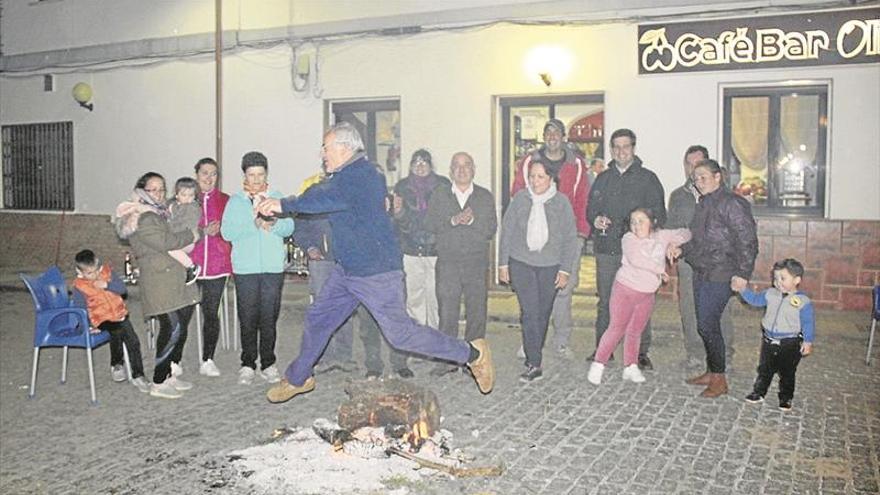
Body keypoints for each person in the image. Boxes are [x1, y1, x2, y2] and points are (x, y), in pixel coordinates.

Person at [257, 122, 494, 403]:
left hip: (376, 272)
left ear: (345, 148)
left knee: (401, 335)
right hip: (348, 270)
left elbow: (323, 198)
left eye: (326, 148)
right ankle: (299, 377)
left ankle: (473, 354)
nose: (322, 154)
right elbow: (322, 194)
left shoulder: (362, 175)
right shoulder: (343, 176)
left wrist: (282, 205)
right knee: (318, 317)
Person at [668, 159, 758, 398]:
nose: (699, 182)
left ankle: (719, 380)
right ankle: (712, 370)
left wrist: (743, 273)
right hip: (701, 271)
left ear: (718, 177)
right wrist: (682, 249)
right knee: (704, 324)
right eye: (696, 178)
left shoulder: (733, 204)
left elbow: (748, 241)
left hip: (722, 273)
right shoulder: (703, 203)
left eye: (704, 177)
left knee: (708, 325)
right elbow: (698, 241)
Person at [587, 128, 666, 370]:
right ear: (611, 150)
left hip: (638, 253)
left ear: (633, 148)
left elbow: (660, 215)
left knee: (640, 300)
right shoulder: (603, 178)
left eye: (626, 146)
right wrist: (595, 219)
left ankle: (640, 352)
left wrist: (644, 234)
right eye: (616, 147)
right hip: (608, 249)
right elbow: (590, 209)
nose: (621, 151)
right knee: (605, 300)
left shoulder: (648, 179)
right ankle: (604, 349)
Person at [511, 119, 590, 357]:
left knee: (563, 290)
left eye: (557, 132)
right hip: (532, 237)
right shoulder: (528, 163)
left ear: (564, 137)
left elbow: (583, 198)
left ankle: (562, 339)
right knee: (530, 292)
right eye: (549, 132)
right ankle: (531, 341)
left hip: (566, 237)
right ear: (543, 136)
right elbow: (517, 195)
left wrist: (581, 234)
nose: (553, 136)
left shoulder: (576, 164)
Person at [587, 208, 690, 385]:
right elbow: (637, 260)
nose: (636, 225)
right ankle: (598, 365)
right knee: (616, 328)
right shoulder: (629, 239)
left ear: (652, 222)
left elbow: (686, 232)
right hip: (625, 290)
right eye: (633, 221)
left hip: (647, 294)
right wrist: (660, 271)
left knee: (635, 331)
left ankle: (630, 366)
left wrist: (675, 244)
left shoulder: (661, 236)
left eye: (641, 221)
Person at [121, 172, 200, 399]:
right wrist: (192, 234)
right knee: (172, 327)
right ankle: (158, 380)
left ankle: (168, 375)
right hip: (159, 280)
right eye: (153, 189)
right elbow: (166, 241)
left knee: (180, 326)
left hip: (172, 277)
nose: (158, 193)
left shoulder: (160, 213)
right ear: (142, 191)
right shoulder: (142, 217)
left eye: (162, 189)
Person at [499, 158, 579, 383]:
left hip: (550, 265)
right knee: (530, 311)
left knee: (543, 313)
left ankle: (532, 349)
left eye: (540, 177)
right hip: (521, 261)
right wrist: (503, 264)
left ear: (551, 178)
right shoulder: (520, 199)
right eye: (532, 176)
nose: (535, 181)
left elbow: (569, 239)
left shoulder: (561, 203)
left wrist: (565, 270)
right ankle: (535, 362)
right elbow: (507, 231)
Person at [221, 151, 295, 385]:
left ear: (266, 174)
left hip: (272, 267)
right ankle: (247, 363)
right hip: (245, 268)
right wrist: (253, 225)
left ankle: (269, 362)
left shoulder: (276, 197)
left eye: (260, 174)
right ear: (244, 174)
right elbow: (227, 233)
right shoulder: (235, 201)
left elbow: (290, 227)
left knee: (269, 317)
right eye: (251, 174)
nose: (255, 179)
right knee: (248, 316)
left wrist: (273, 224)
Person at [425, 152, 497, 377]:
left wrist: (473, 220)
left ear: (473, 169)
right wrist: (453, 221)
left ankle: (474, 360)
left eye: (466, 165)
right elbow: (429, 224)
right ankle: (447, 360)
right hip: (448, 262)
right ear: (450, 171)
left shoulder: (484, 196)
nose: (462, 170)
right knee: (447, 312)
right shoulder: (440, 194)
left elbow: (490, 228)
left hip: (476, 263)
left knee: (477, 312)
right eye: (457, 166)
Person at [667, 146, 735, 371]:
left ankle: (724, 355)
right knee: (689, 307)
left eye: (698, 163)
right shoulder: (678, 196)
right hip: (688, 261)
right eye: (689, 163)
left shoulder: (724, 195)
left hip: (717, 263)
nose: (693, 169)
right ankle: (695, 353)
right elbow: (672, 227)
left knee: (719, 308)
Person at [390, 149, 451, 377]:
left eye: (424, 161)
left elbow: (445, 218)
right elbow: (399, 222)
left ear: (431, 164)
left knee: (435, 300)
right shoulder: (403, 187)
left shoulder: (443, 185)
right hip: (411, 251)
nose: (420, 165)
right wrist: (399, 213)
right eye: (416, 162)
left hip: (436, 251)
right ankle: (416, 347)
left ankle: (434, 346)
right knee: (414, 301)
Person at [736, 258, 814, 411]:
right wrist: (742, 290)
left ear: (797, 280)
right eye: (775, 278)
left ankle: (786, 397)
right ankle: (759, 392)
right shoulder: (770, 293)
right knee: (765, 369)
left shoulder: (802, 301)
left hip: (790, 343)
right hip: (769, 341)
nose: (778, 282)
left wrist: (807, 341)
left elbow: (808, 322)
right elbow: (755, 300)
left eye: (783, 278)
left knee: (787, 372)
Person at [71, 249, 151, 394]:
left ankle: (139, 374)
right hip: (100, 319)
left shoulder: (107, 273)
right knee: (117, 330)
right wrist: (88, 326)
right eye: (89, 273)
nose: (94, 275)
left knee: (133, 341)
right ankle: (117, 364)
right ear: (80, 272)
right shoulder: (79, 286)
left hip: (119, 314)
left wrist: (107, 285)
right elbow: (79, 309)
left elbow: (122, 290)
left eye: (96, 270)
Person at [191, 157, 233, 378]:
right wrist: (201, 231)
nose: (209, 177)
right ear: (196, 175)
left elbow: (234, 229)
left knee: (210, 312)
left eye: (213, 173)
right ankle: (174, 359)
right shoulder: (186, 198)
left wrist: (222, 231)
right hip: (190, 263)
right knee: (183, 312)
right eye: (204, 173)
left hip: (218, 265)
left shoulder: (226, 200)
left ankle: (207, 358)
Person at [166, 177, 201, 285]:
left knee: (170, 249)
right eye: (184, 195)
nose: (187, 198)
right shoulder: (175, 206)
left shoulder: (192, 208)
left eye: (191, 195)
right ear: (177, 195)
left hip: (187, 239)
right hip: (179, 238)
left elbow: (186, 225)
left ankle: (191, 266)